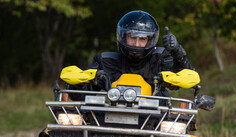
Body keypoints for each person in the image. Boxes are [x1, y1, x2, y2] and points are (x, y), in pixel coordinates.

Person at [66, 10, 194, 100]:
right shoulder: (106, 61)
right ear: (122, 36)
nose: (137, 43)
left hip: (157, 119)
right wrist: (77, 83)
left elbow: (188, 76)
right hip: (112, 118)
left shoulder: (160, 57)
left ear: (150, 40)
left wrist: (177, 52)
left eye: (142, 39)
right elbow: (79, 95)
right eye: (132, 37)